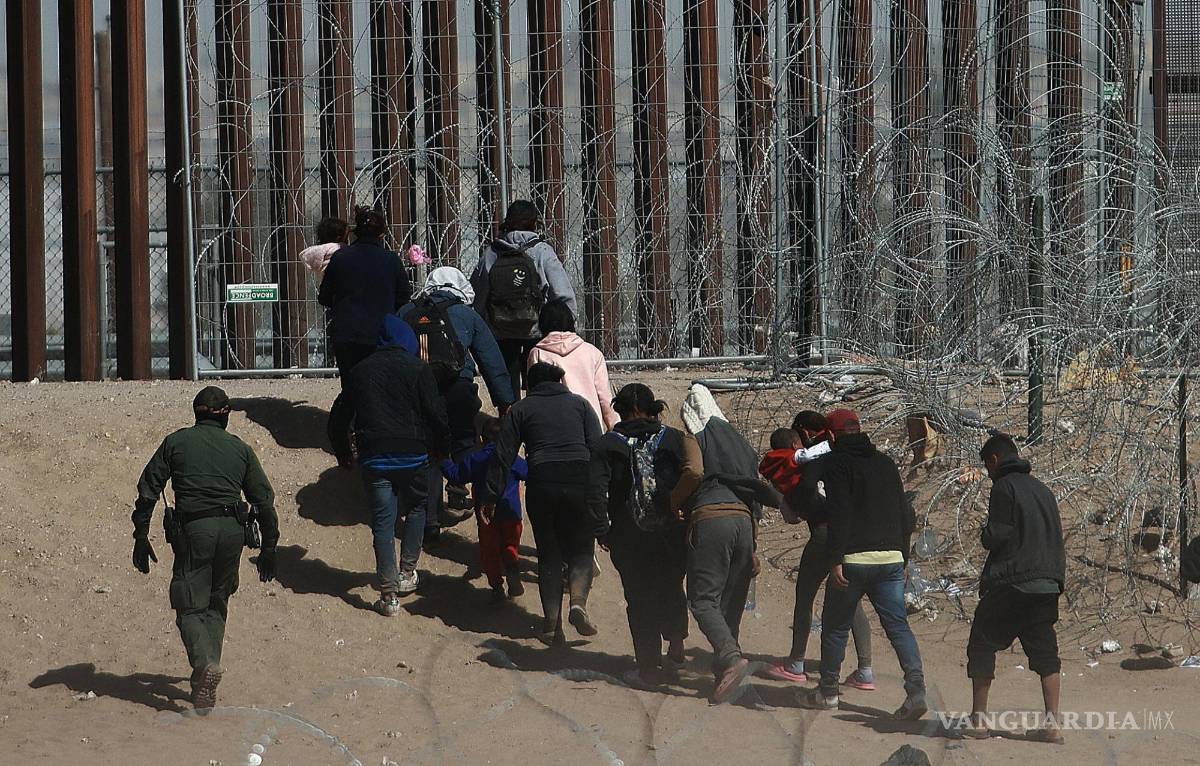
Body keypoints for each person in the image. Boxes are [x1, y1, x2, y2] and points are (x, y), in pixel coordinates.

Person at [131, 386, 279, 710]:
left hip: (195, 531)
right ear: (226, 415)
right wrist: (269, 549)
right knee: (217, 602)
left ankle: (204, 665)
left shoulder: (176, 442)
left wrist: (141, 536)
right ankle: (204, 679)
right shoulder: (240, 449)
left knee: (188, 606)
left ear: (196, 413)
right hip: (233, 532)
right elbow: (264, 502)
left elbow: (148, 491)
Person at [798, 409, 925, 720]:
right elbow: (905, 514)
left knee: (836, 626)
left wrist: (835, 559)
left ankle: (828, 691)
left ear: (831, 435)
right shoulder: (885, 463)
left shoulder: (835, 463)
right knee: (898, 628)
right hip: (891, 559)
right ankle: (916, 691)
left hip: (853, 560)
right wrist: (903, 557)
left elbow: (836, 510)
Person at [588, 383, 704, 687]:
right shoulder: (674, 438)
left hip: (628, 536)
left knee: (639, 599)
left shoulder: (607, 444)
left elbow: (596, 491)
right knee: (671, 585)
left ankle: (649, 668)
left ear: (620, 410)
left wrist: (602, 531)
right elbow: (692, 478)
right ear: (653, 408)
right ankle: (676, 642)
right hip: (671, 530)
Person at [485, 362, 601, 645]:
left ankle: (551, 626)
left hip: (542, 482)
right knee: (582, 548)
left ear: (531, 385)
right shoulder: (581, 405)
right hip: (579, 481)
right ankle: (578, 602)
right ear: (559, 380)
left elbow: (503, 454)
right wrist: (600, 494)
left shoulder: (521, 410)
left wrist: (491, 494)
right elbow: (598, 449)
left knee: (549, 554)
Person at [397, 266, 516, 543]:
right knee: (463, 440)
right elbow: (491, 360)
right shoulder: (466, 314)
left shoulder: (406, 312)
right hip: (458, 388)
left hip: (419, 390)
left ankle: (429, 520)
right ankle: (459, 494)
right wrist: (504, 401)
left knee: (427, 450)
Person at [679, 384, 781, 703]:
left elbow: (693, 471)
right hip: (743, 523)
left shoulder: (695, 437)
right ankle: (724, 671)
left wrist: (674, 502)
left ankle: (731, 658)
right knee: (730, 603)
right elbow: (753, 495)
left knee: (702, 599)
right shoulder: (742, 445)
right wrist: (753, 547)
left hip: (712, 518)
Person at [344, 315, 451, 615]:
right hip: (414, 453)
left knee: (383, 522)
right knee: (416, 508)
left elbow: (342, 414)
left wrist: (343, 451)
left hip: (375, 456)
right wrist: (443, 449)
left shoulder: (360, 371)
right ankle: (407, 571)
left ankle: (389, 594)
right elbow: (435, 413)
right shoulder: (418, 368)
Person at [758, 415, 874, 687]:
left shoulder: (797, 464)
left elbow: (792, 516)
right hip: (852, 535)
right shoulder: (843, 460)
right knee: (852, 600)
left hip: (823, 535)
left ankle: (796, 662)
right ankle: (865, 670)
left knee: (805, 597)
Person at [967, 434, 1065, 743]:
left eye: (987, 467)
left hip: (1013, 581)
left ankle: (978, 720)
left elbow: (999, 534)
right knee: (1046, 654)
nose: (988, 473)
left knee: (981, 643)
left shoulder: (1004, 487)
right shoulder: (1044, 490)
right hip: (1047, 583)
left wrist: (984, 534)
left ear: (994, 460)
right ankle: (1052, 725)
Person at [319, 207, 413, 468]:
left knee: (352, 388)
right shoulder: (390, 260)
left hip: (347, 335)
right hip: (381, 336)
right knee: (379, 388)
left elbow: (324, 297)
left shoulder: (341, 258)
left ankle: (343, 443)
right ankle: (373, 440)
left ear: (355, 232)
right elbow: (404, 297)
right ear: (382, 233)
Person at [471, 200, 577, 395]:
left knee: (507, 383)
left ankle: (510, 411)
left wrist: (481, 327)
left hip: (501, 328)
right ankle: (534, 409)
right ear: (534, 223)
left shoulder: (492, 252)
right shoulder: (542, 251)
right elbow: (561, 292)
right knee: (536, 380)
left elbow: (479, 293)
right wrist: (568, 324)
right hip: (535, 328)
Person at [441, 416, 528, 604]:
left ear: (482, 438)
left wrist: (444, 460)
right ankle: (512, 571)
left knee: (489, 551)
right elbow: (528, 473)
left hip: (486, 515)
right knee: (510, 545)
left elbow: (456, 475)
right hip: (511, 512)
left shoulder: (476, 458)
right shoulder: (512, 458)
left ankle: (496, 588)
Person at [527, 299, 617, 430]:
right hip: (590, 427)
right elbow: (605, 400)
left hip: (554, 428)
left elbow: (533, 397)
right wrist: (615, 429)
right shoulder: (593, 353)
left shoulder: (538, 353)